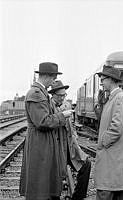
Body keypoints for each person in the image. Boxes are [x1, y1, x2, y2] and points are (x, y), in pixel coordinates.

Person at [19, 62, 73, 200]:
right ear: (48, 76)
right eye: (53, 78)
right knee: (40, 179)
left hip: (41, 141)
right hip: (40, 142)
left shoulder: (40, 92)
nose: (53, 82)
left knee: (43, 178)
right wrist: (63, 116)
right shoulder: (36, 94)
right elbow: (42, 121)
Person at [48, 80, 91, 200]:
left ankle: (78, 197)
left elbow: (71, 126)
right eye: (60, 96)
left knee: (86, 165)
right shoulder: (50, 106)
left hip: (68, 147)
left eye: (64, 95)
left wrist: (75, 136)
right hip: (57, 149)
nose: (63, 98)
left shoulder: (66, 105)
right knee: (55, 177)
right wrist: (62, 114)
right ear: (53, 95)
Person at [94, 65, 123, 200]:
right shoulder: (114, 98)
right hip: (113, 160)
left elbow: (116, 127)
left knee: (106, 192)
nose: (102, 83)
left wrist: (102, 142)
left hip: (111, 159)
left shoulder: (119, 98)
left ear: (111, 79)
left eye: (103, 79)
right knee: (116, 191)